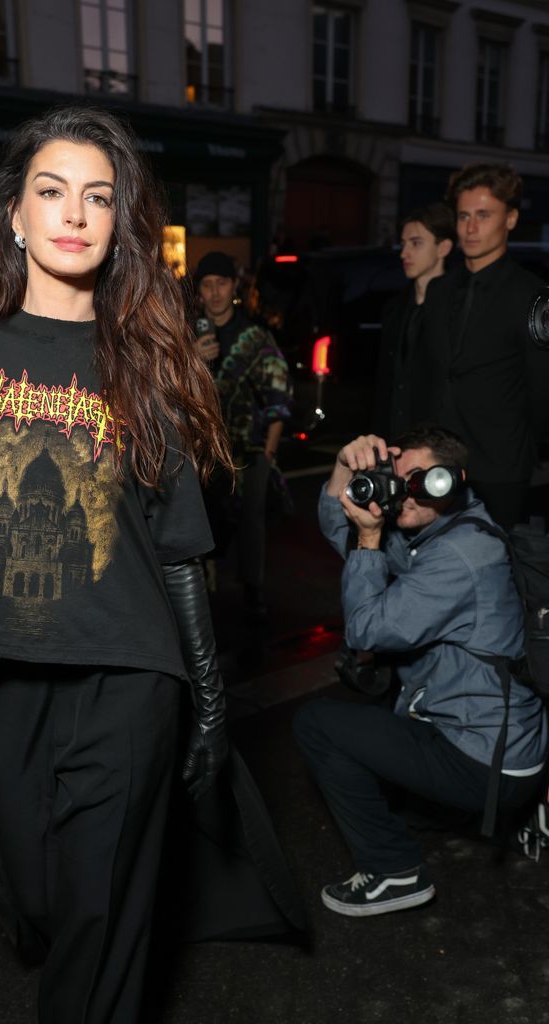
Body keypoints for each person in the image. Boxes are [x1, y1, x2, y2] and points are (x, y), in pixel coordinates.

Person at [0, 107, 259, 1023]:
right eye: (52, 192)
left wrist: (208, 699)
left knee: (98, 918)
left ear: (119, 221)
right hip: (2, 675)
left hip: (129, 676)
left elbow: (180, 547)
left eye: (99, 197)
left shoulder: (150, 363)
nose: (75, 213)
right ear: (14, 215)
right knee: (40, 903)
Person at [292, 425, 547, 917]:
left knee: (318, 724)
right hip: (500, 742)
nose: (406, 492)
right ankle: (465, 812)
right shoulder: (448, 530)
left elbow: (364, 630)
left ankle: (394, 871)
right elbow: (339, 531)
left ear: (453, 479)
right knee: (387, 763)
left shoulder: (456, 556)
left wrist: (370, 541)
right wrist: (346, 467)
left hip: (485, 760)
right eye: (397, 478)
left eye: (421, 480)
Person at [417, 163, 548, 529]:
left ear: (510, 219)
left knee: (494, 573)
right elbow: (429, 374)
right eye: (463, 216)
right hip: (437, 463)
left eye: (483, 215)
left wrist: (523, 450)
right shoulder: (440, 291)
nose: (470, 228)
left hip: (500, 466)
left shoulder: (533, 295)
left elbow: (541, 389)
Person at [193, 250, 292, 618]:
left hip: (247, 449)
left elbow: (279, 393)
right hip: (200, 452)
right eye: (207, 284)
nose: (215, 292)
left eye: (221, 283)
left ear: (234, 286)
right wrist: (194, 362)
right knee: (202, 518)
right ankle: (203, 580)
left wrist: (268, 453)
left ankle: (253, 591)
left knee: (252, 523)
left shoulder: (254, 336)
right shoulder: (186, 333)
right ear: (199, 291)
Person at [373, 202, 455, 438]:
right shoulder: (395, 310)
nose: (404, 253)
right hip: (395, 444)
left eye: (416, 243)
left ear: (444, 248)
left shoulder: (458, 311)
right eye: (404, 243)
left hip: (440, 449)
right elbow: (385, 387)